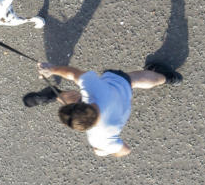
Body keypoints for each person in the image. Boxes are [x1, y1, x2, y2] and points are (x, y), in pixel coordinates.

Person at [37, 61, 182, 157]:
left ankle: (54, 95)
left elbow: (125, 151)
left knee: (132, 84)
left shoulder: (100, 138)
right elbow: (73, 73)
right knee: (135, 78)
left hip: (124, 105)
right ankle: (169, 78)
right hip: (120, 82)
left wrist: (103, 151)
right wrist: (52, 70)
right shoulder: (91, 88)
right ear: (81, 103)